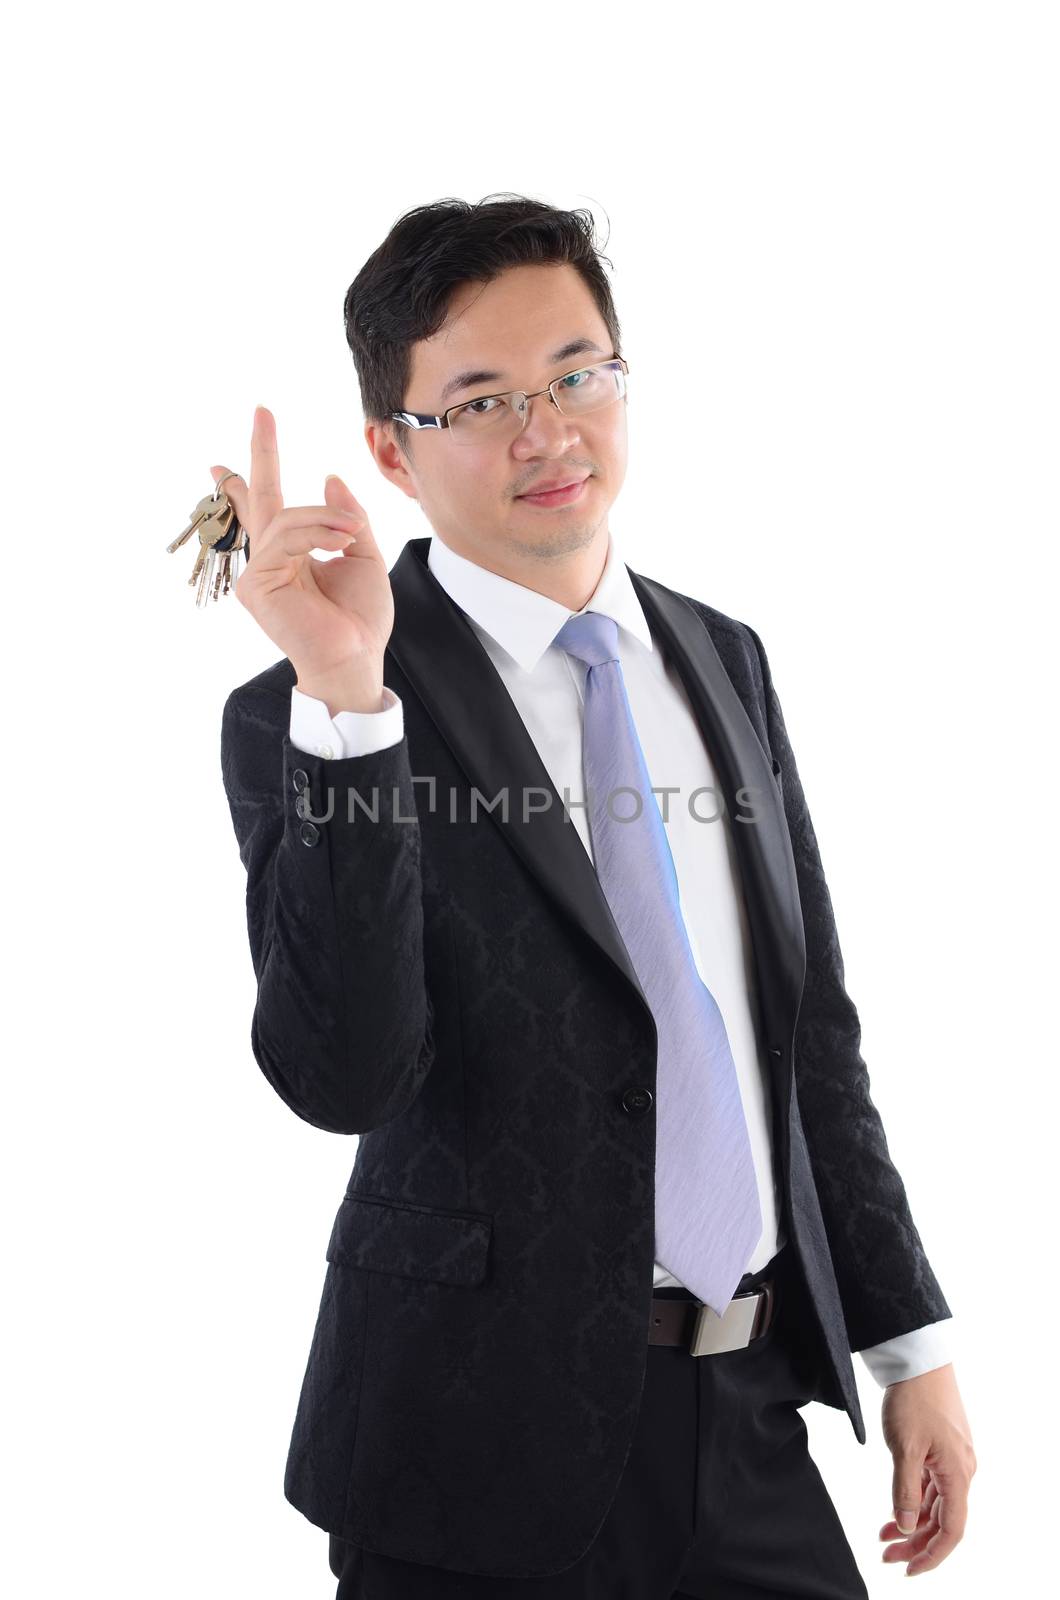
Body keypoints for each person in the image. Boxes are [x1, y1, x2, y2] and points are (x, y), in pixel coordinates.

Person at [218, 195, 976, 1597]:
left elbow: (806, 1038)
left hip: (751, 1420)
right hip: (466, 1448)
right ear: (392, 448)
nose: (547, 431)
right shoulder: (317, 712)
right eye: (485, 400)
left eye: (578, 376)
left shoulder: (722, 659)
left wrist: (908, 1345)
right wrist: (350, 703)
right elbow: (345, 1075)